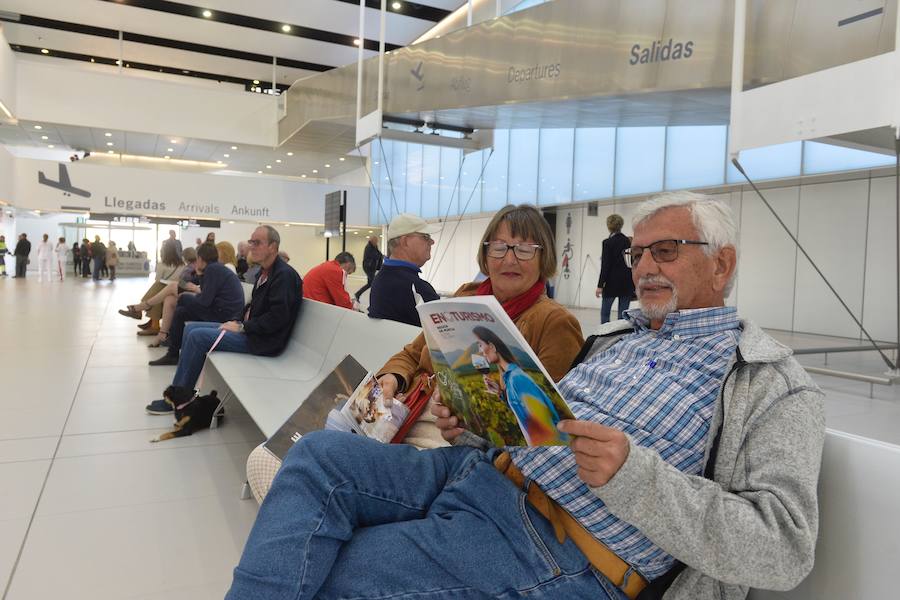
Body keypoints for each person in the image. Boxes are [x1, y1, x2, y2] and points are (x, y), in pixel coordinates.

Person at [227, 192, 825, 600]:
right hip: (478, 469)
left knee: (333, 571)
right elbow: (540, 425)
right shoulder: (613, 340)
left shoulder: (768, 384)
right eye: (635, 253)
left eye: (664, 251)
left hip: (553, 543)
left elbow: (783, 547)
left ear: (722, 266)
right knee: (313, 460)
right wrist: (477, 419)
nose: (643, 268)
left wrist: (635, 476)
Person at [243, 204, 585, 501]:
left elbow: (547, 433)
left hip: (445, 447)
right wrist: (393, 376)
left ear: (544, 258)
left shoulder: (553, 322)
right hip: (403, 413)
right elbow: (410, 354)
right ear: (486, 253)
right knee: (267, 458)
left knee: (295, 475)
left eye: (525, 249)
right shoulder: (464, 299)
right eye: (499, 247)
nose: (509, 258)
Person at [146, 226, 303, 415]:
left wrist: (243, 327)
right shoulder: (265, 272)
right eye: (251, 241)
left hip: (263, 341)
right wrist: (236, 321)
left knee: (197, 337)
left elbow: (278, 318)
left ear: (273, 246)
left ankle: (181, 398)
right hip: (253, 331)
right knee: (191, 329)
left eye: (257, 242)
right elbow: (252, 307)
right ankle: (179, 390)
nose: (252, 246)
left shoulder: (283, 275)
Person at [148, 242, 244, 367]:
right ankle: (172, 351)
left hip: (224, 315)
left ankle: (172, 350)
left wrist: (189, 295)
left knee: (183, 300)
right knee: (181, 312)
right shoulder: (215, 269)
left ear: (200, 259)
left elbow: (205, 301)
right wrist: (198, 275)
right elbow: (201, 292)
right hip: (223, 311)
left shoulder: (213, 270)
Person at [472, 325, 564, 447]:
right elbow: (524, 410)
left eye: (480, 344)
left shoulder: (517, 378)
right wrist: (500, 393)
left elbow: (544, 425)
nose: (480, 351)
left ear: (492, 346)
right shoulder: (509, 378)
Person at [367, 214, 441, 326]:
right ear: (405, 241)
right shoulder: (416, 288)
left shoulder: (380, 280)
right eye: (425, 237)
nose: (432, 242)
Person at [118, 241, 184, 334]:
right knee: (158, 289)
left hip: (165, 289)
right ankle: (147, 319)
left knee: (158, 287)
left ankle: (148, 319)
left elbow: (157, 279)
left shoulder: (162, 264)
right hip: (177, 289)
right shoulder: (182, 264)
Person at [596, 213, 635, 323]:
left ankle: (605, 336)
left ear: (609, 226)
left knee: (605, 313)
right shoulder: (628, 241)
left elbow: (605, 265)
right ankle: (620, 337)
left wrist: (600, 285)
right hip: (627, 282)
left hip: (611, 283)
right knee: (622, 316)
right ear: (621, 225)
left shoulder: (607, 243)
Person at [354, 235, 383, 302]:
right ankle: (375, 301)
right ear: (371, 241)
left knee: (370, 284)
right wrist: (380, 256)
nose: (377, 242)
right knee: (375, 283)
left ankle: (358, 294)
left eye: (377, 241)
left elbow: (379, 254)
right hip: (368, 267)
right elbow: (375, 256)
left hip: (372, 268)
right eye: (375, 241)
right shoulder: (368, 247)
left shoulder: (374, 247)